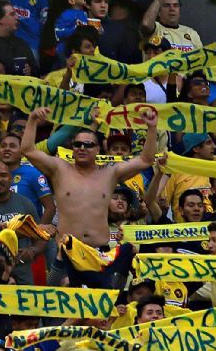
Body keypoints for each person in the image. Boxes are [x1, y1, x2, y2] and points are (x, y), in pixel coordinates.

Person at [20, 106, 157, 250]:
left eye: (88, 145)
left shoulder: (109, 173)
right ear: (72, 148)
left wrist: (152, 128)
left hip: (99, 251)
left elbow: (145, 160)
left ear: (98, 150)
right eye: (77, 144)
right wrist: (33, 119)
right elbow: (27, 150)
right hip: (66, 251)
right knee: (55, 274)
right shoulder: (59, 169)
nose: (82, 148)